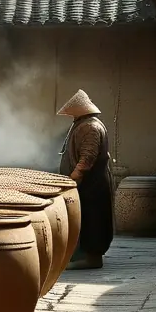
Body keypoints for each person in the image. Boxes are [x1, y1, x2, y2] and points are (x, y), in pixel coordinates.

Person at [57, 89, 114, 270]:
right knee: (86, 219)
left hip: (92, 184)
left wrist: (74, 178)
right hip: (87, 184)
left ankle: (93, 258)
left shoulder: (90, 127)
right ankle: (83, 255)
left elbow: (86, 158)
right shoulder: (83, 124)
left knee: (93, 220)